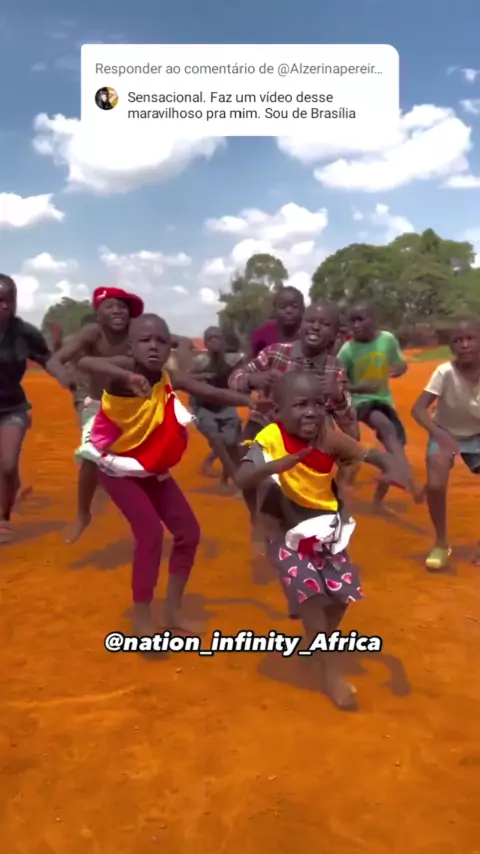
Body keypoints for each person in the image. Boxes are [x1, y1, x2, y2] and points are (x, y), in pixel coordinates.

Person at [75, 313, 265, 636]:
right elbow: (87, 362)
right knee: (149, 534)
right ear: (131, 347)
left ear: (169, 349)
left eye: (161, 341)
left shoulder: (167, 377)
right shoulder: (123, 371)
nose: (153, 346)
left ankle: (172, 612)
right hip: (117, 469)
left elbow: (212, 393)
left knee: (188, 533)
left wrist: (250, 401)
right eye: (145, 340)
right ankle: (141, 616)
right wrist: (126, 375)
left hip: (152, 468)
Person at [235, 371, 412, 710]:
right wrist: (276, 465)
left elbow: (369, 454)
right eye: (301, 405)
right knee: (312, 595)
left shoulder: (328, 438)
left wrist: (395, 467)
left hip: (325, 530)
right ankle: (329, 672)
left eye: (318, 404)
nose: (312, 412)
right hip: (284, 532)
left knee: (341, 598)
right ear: (278, 412)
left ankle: (316, 645)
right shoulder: (270, 439)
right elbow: (242, 477)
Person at [229, 302, 359, 548]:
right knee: (250, 464)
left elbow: (348, 420)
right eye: (311, 321)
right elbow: (235, 379)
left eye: (325, 324)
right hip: (266, 425)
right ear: (301, 325)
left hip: (305, 437)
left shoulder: (334, 368)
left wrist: (338, 396)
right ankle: (257, 517)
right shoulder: (275, 353)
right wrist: (255, 379)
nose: (316, 327)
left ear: (335, 334)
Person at [46, 286, 145, 543]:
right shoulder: (92, 332)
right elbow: (55, 360)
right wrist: (63, 375)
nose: (118, 311)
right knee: (92, 453)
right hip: (94, 401)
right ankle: (83, 515)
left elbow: (171, 343)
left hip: (128, 403)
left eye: (122, 307)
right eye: (110, 306)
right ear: (98, 314)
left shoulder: (137, 332)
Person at [0, 274, 69, 542]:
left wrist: (64, 376)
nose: (5, 306)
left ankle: (2, 519)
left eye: (10, 300)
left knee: (7, 464)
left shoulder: (24, 333)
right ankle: (12, 486)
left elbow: (46, 358)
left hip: (12, 408)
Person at [337, 302, 423, 509]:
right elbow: (338, 383)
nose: (356, 325)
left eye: (361, 319)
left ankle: (378, 502)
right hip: (360, 402)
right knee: (385, 426)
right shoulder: (347, 350)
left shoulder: (387, 340)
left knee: (395, 445)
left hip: (384, 400)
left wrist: (399, 369)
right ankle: (411, 480)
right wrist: (360, 388)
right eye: (352, 321)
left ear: (373, 320)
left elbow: (400, 364)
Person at [411, 318, 480, 570]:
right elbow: (418, 409)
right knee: (436, 483)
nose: (464, 344)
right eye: (458, 340)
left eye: (470, 338)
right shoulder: (444, 372)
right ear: (451, 346)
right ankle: (441, 543)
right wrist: (439, 435)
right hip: (444, 431)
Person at [189, 327, 243, 492]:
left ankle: (224, 481)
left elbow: (246, 366)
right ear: (205, 343)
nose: (214, 342)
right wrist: (200, 377)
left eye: (218, 338)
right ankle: (237, 480)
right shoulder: (199, 362)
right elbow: (184, 379)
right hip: (203, 407)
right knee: (216, 439)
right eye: (210, 339)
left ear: (224, 342)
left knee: (232, 443)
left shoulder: (232, 361)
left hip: (225, 405)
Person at [250, 286, 305, 358]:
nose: (289, 311)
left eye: (294, 306)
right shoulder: (262, 335)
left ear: (302, 309)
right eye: (283, 306)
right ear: (274, 310)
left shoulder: (309, 334)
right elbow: (250, 361)